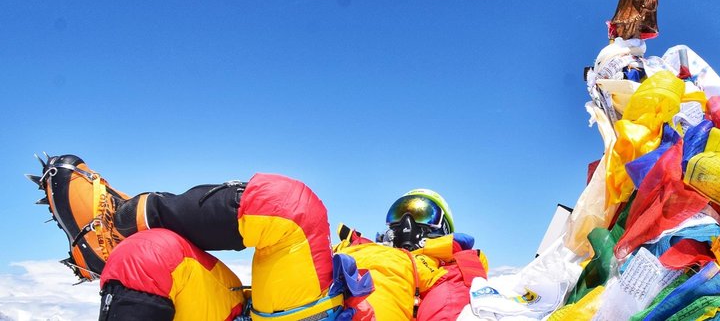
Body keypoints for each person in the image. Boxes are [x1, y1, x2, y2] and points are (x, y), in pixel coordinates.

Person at [30, 153, 487, 321]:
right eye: (399, 211)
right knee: (147, 256)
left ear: (442, 226)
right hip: (273, 311)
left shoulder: (450, 267)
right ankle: (118, 239)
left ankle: (128, 215)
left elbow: (451, 315)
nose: (405, 222)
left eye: (419, 213)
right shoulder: (355, 246)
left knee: (290, 207)